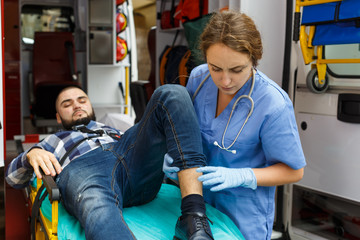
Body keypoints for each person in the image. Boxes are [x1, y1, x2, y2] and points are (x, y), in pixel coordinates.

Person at [164, 11, 306, 240]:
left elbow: (294, 171)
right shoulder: (199, 79)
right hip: (197, 206)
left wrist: (243, 175)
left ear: (254, 59)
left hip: (243, 216)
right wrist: (169, 154)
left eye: (237, 70)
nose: (225, 81)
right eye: (216, 68)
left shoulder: (272, 104)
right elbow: (183, 130)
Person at [5, 85, 214, 240]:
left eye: (82, 100)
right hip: (86, 170)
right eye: (67, 104)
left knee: (172, 93)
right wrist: (30, 155)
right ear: (58, 117)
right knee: (100, 212)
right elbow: (12, 179)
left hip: (130, 159)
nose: (76, 105)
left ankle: (193, 217)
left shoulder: (114, 130)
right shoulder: (51, 141)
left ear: (90, 105)